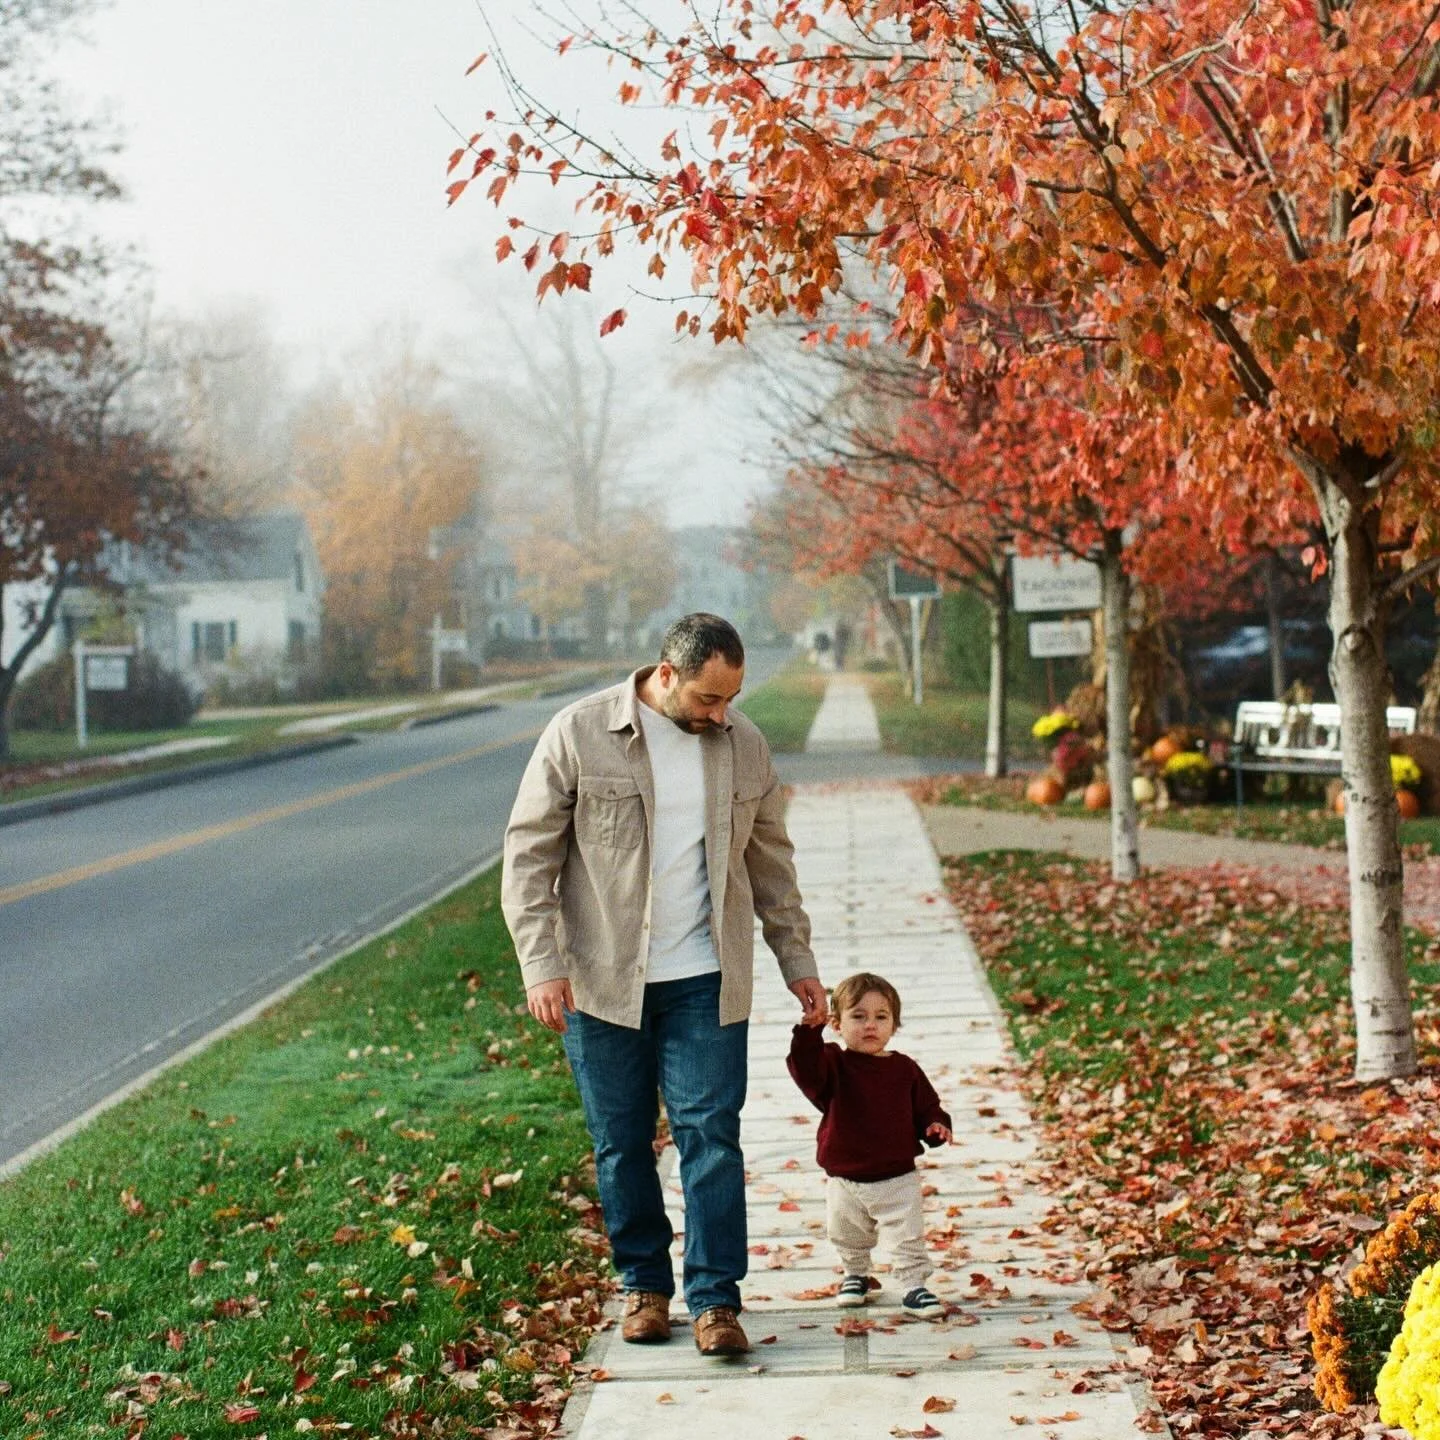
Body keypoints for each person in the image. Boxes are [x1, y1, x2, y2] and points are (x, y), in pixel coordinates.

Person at [502, 613, 826, 1357]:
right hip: (603, 981)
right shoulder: (580, 733)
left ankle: (716, 1301)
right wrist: (541, 963)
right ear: (668, 675)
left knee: (711, 1138)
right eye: (711, 699)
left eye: (732, 698)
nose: (723, 715)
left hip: (705, 980)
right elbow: (528, 857)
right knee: (619, 1142)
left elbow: (770, 861)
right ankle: (644, 1288)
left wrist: (797, 961)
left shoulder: (742, 744)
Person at [786, 971, 953, 1319]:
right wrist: (809, 1030)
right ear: (837, 1023)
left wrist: (935, 1125)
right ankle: (855, 1274)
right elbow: (806, 1068)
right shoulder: (833, 1064)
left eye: (881, 1017)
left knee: (907, 1235)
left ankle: (913, 1286)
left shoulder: (904, 1069)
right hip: (846, 1176)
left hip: (897, 1175)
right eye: (858, 1017)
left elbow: (927, 1105)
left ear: (894, 1023)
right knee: (846, 1232)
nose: (870, 1026)